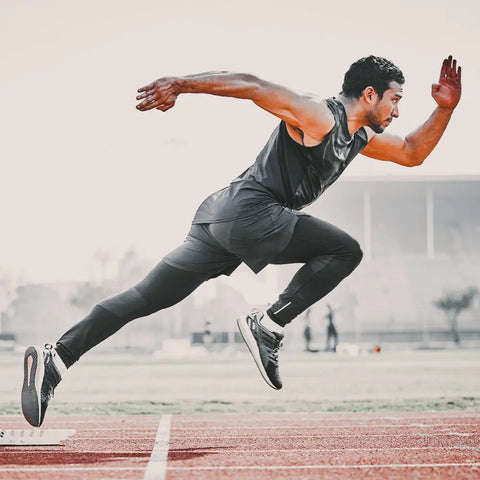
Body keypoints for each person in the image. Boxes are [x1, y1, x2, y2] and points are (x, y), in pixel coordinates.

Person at [21, 55, 462, 427]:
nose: (398, 111)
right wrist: (181, 84)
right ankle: (267, 325)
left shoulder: (360, 135)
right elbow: (253, 85)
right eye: (395, 99)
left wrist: (444, 109)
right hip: (253, 214)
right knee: (345, 250)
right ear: (369, 95)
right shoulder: (320, 116)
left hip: (222, 219)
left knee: (144, 297)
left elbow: (410, 152)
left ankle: (56, 358)